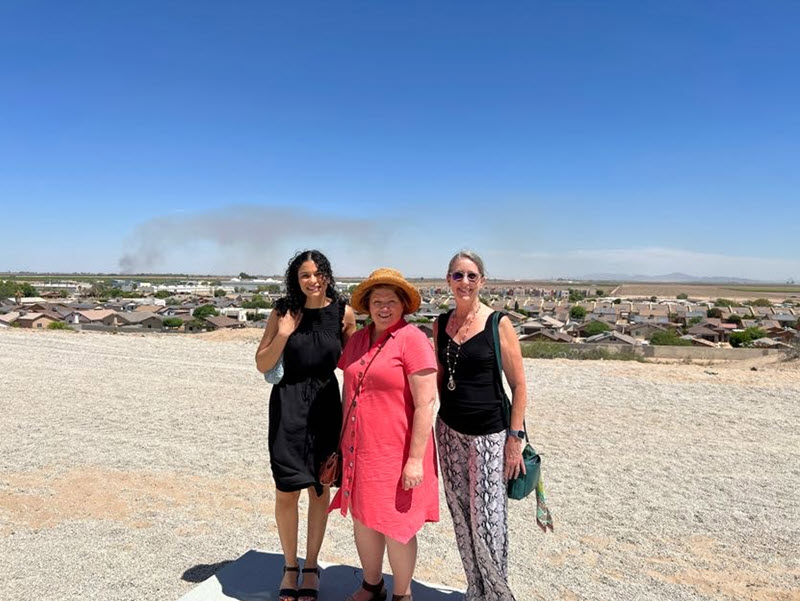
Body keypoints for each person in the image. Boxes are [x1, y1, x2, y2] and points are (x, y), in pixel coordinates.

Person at [330, 268, 439, 601]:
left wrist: (415, 460)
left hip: (398, 451)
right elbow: (349, 385)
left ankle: (402, 595)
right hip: (359, 449)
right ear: (368, 305)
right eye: (377, 301)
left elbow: (425, 404)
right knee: (363, 519)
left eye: (391, 301)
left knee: (397, 526)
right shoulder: (360, 340)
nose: (384, 307)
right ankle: (371, 584)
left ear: (403, 305)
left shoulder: (413, 340)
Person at [255, 250, 356, 601]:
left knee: (319, 487)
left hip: (327, 406)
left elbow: (353, 365)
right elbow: (261, 362)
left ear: (327, 274)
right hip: (287, 405)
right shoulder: (284, 311)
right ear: (295, 280)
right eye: (304, 275)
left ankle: (311, 566)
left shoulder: (343, 313)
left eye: (317, 273)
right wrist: (283, 334)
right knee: (286, 489)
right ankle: (289, 566)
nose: (312, 280)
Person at [433, 250, 527, 601]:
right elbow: (440, 379)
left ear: (482, 281)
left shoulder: (497, 323)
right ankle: (476, 590)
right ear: (448, 281)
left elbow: (518, 386)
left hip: (490, 435)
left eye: (471, 276)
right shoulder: (441, 324)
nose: (464, 282)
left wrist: (514, 439)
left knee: (489, 522)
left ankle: (499, 595)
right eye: (458, 276)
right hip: (449, 432)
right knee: (462, 519)